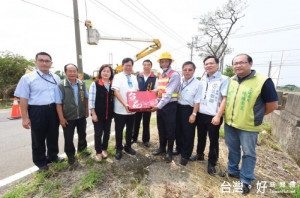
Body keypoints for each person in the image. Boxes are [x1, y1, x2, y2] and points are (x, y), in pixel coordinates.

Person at [224, 54, 278, 194]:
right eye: (235, 63)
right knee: (233, 149)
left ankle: (246, 180)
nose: (238, 66)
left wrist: (256, 116)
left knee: (248, 153)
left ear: (250, 63)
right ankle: (233, 171)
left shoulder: (263, 81)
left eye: (242, 62)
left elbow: (272, 105)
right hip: (230, 123)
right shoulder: (231, 80)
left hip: (248, 126)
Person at [14, 52, 63, 171]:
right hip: (37, 110)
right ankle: (41, 162)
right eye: (41, 60)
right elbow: (23, 99)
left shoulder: (55, 77)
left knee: (53, 135)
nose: (44, 63)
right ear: (36, 62)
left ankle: (53, 156)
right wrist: (25, 118)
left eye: (47, 61)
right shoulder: (27, 78)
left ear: (51, 63)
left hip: (53, 110)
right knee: (38, 137)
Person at [190, 56, 229, 175]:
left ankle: (212, 163)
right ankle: (200, 154)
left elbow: (224, 99)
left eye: (211, 63)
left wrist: (218, 116)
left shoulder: (223, 79)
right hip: (201, 113)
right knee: (200, 136)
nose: (208, 66)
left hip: (214, 115)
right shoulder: (202, 79)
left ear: (217, 64)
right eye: (206, 64)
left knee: (213, 140)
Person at [55, 63, 89, 165]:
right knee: (69, 137)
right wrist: (61, 118)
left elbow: (86, 98)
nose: (72, 73)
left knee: (82, 134)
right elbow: (58, 103)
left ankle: (82, 150)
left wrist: (86, 110)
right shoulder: (61, 85)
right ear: (65, 72)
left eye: (74, 71)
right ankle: (70, 155)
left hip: (81, 115)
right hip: (68, 117)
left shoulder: (82, 84)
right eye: (70, 71)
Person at [151, 52, 181, 163]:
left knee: (170, 129)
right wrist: (151, 92)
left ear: (170, 62)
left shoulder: (174, 75)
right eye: (162, 61)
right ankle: (161, 148)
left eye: (165, 61)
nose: (163, 63)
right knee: (161, 127)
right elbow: (160, 89)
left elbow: (168, 94)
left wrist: (158, 106)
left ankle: (169, 152)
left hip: (170, 106)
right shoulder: (161, 75)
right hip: (161, 106)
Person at [112, 58, 139, 160]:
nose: (128, 67)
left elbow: (136, 92)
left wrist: (136, 105)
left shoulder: (134, 77)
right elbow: (116, 91)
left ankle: (128, 146)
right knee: (119, 130)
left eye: (130, 65)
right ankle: (119, 149)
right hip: (120, 110)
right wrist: (125, 104)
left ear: (132, 67)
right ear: (122, 66)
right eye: (126, 65)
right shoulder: (117, 77)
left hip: (132, 110)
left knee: (129, 130)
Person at [175, 61, 201, 166]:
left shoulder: (198, 83)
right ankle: (179, 149)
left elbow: (197, 100)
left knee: (188, 133)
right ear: (182, 70)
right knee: (178, 131)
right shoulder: (179, 81)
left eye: (190, 70)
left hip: (189, 110)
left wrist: (193, 114)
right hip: (178, 108)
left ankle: (186, 155)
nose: (187, 72)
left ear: (194, 71)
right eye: (185, 69)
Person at [89, 64, 114, 162]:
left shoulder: (112, 85)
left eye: (108, 71)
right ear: (100, 72)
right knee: (98, 133)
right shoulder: (95, 84)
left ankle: (104, 149)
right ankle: (98, 152)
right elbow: (91, 100)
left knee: (107, 133)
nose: (106, 73)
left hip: (109, 114)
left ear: (111, 73)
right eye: (104, 71)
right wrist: (93, 113)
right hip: (98, 115)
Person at [131, 59, 157, 147]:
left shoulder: (154, 77)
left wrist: (150, 92)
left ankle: (146, 140)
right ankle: (133, 138)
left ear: (151, 66)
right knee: (136, 121)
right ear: (143, 66)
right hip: (138, 102)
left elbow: (156, 89)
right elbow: (134, 87)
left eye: (148, 65)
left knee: (146, 121)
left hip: (148, 103)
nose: (146, 66)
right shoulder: (138, 76)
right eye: (145, 65)